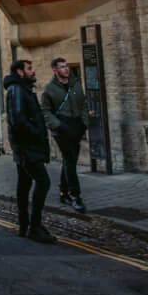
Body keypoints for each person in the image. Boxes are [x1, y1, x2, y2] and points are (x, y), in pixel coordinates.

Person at [5, 59, 56, 244]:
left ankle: (24, 225)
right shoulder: (17, 90)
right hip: (27, 148)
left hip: (25, 147)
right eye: (29, 69)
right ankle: (34, 227)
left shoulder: (21, 89)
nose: (32, 71)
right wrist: (36, 134)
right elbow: (18, 120)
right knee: (43, 182)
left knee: (24, 185)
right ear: (20, 72)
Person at [41, 57, 89, 212]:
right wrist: (58, 125)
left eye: (67, 66)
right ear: (55, 70)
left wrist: (84, 123)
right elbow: (45, 112)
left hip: (76, 126)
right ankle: (76, 196)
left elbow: (83, 103)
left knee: (70, 161)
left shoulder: (75, 83)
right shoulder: (49, 89)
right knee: (69, 159)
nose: (66, 69)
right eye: (62, 67)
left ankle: (63, 191)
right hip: (61, 128)